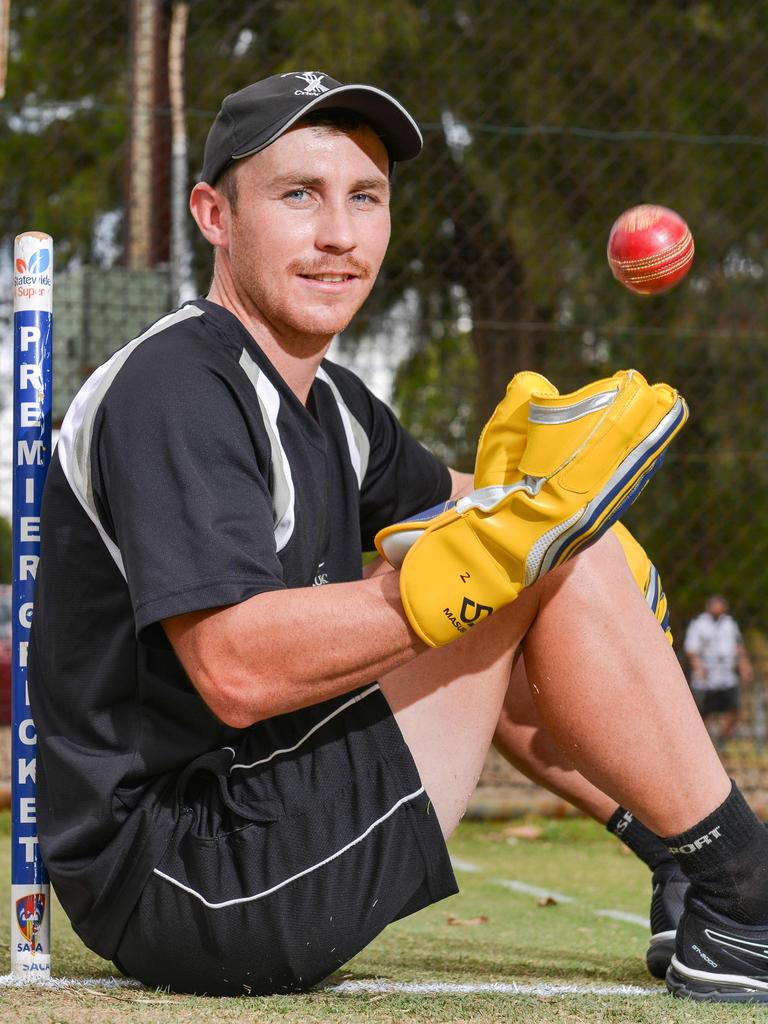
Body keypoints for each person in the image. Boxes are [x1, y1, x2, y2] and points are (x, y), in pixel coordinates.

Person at [29, 71, 768, 1003]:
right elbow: (235, 667)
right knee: (522, 558)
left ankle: (695, 869)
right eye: (300, 194)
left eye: (365, 197)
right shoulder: (177, 384)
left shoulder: (335, 405)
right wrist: (515, 545)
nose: (339, 232)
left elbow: (473, 509)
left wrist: (561, 526)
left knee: (535, 547)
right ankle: (746, 887)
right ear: (214, 215)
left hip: (256, 810)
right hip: (186, 870)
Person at [684, 595, 753, 747]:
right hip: (707, 678)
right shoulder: (699, 624)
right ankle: (706, 745)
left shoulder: (729, 624)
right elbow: (691, 649)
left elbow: (738, 646)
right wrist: (699, 667)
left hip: (727, 675)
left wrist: (744, 665)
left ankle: (720, 741)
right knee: (704, 714)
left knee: (734, 710)